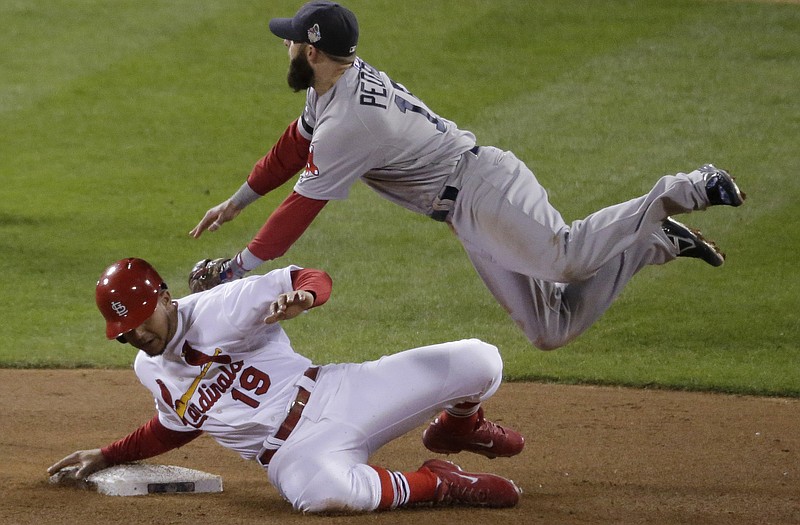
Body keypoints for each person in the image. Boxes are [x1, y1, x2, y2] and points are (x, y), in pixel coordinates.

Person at [187, 1, 746, 350]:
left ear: (311, 50)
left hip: (482, 187)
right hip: (462, 209)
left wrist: (239, 267)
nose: (283, 45)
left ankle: (686, 187)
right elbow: (294, 144)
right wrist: (239, 200)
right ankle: (650, 243)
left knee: (568, 257)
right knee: (550, 331)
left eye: (290, 39)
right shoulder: (331, 86)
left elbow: (300, 209)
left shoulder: (351, 123)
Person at [48, 258, 525, 512]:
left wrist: (305, 296)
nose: (136, 334)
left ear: (166, 298)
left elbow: (310, 275)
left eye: (139, 318)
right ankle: (438, 484)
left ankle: (460, 426)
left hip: (338, 392)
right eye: (124, 330)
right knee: (326, 496)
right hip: (292, 455)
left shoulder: (221, 306)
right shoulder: (147, 368)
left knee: (481, 360)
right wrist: (109, 454)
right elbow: (175, 426)